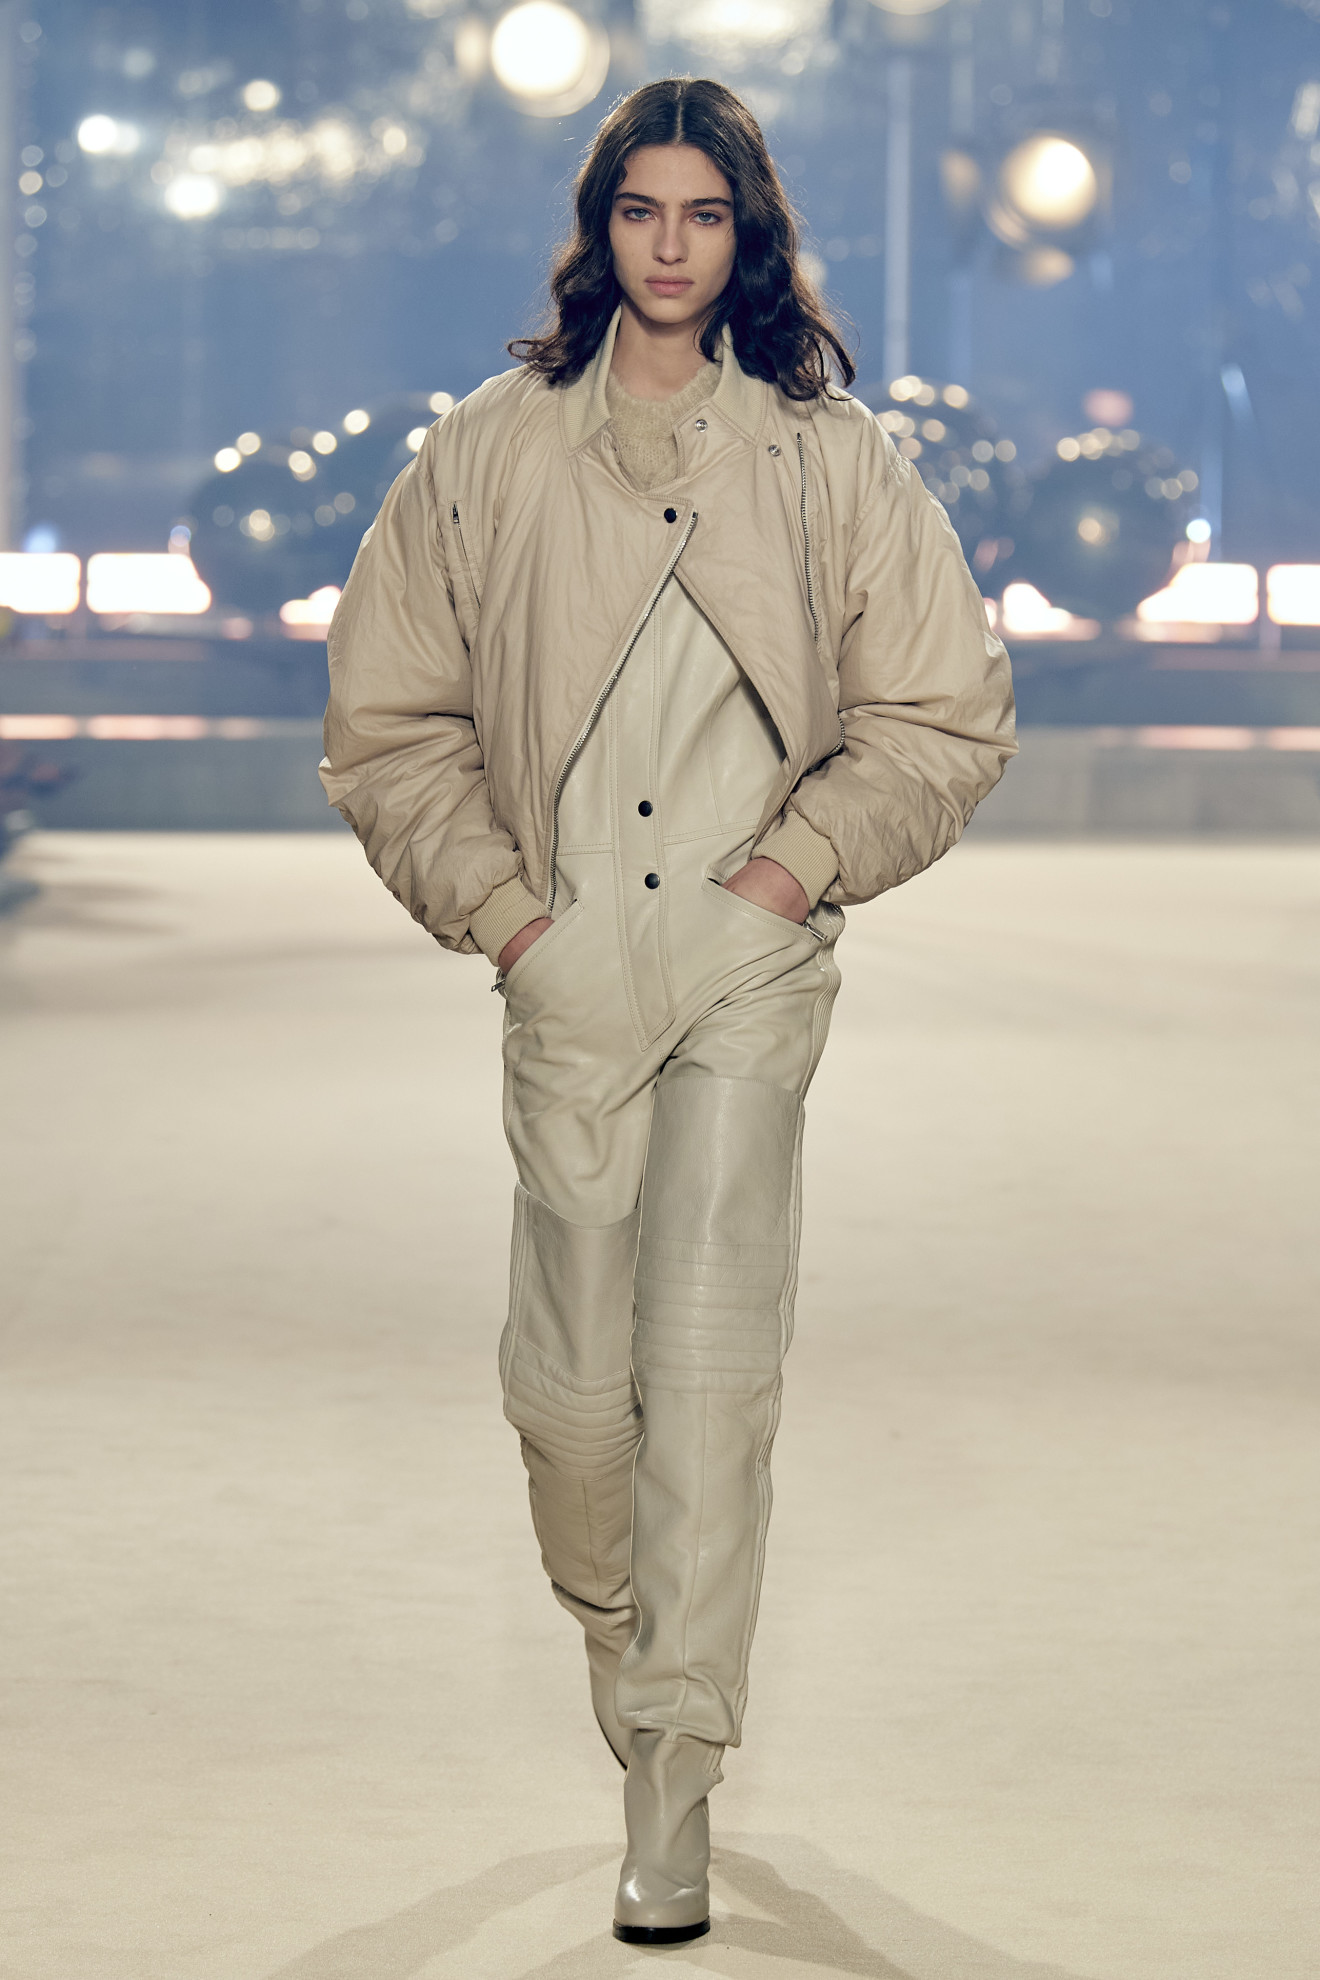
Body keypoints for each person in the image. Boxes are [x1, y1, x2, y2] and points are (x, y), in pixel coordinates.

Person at [320, 75, 1015, 1948]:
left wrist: (795, 872)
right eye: (643, 208)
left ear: (749, 234)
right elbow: (386, 717)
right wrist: (507, 920)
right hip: (569, 973)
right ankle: (628, 1646)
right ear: (600, 226)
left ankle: (673, 1774)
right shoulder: (491, 450)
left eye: (707, 212)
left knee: (706, 1375)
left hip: (740, 966)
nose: (673, 244)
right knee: (571, 1402)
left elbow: (943, 711)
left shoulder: (827, 460)